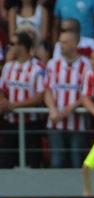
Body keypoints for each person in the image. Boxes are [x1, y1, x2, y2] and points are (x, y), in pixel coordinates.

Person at [44, 28, 91, 168]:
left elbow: (89, 93)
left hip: (78, 123)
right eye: (60, 42)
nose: (60, 45)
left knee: (77, 161)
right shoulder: (52, 64)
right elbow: (47, 90)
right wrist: (52, 109)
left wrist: (69, 109)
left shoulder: (87, 64)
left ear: (74, 44)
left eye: (64, 42)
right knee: (56, 162)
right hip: (55, 122)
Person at [0, 31, 46, 169]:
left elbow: (39, 96)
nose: (10, 47)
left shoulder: (38, 68)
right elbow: (2, 88)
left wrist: (13, 105)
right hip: (10, 121)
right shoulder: (8, 67)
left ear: (22, 46)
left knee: (32, 163)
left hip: (30, 123)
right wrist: (3, 102)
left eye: (13, 44)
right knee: (6, 163)